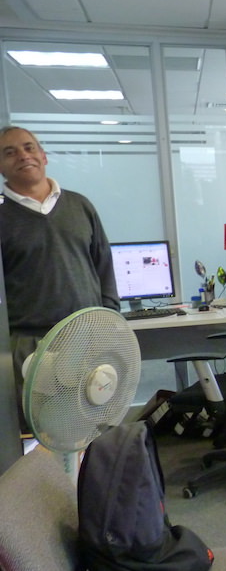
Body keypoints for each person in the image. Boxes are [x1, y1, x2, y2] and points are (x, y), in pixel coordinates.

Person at [0, 125, 118, 422]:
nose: (23, 156)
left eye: (29, 147)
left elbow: (104, 265)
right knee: (42, 427)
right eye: (9, 152)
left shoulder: (80, 205)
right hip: (31, 347)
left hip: (88, 337)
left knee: (90, 423)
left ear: (43, 156)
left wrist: (109, 319)